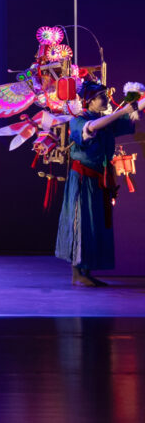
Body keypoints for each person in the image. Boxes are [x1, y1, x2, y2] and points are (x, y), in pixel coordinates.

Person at [56, 79, 142, 286]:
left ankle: (86, 271)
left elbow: (131, 117)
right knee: (80, 223)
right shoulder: (79, 120)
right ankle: (77, 273)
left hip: (98, 179)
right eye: (102, 97)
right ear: (91, 101)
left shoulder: (106, 119)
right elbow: (92, 127)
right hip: (82, 180)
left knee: (95, 224)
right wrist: (122, 111)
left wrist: (136, 101)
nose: (107, 100)